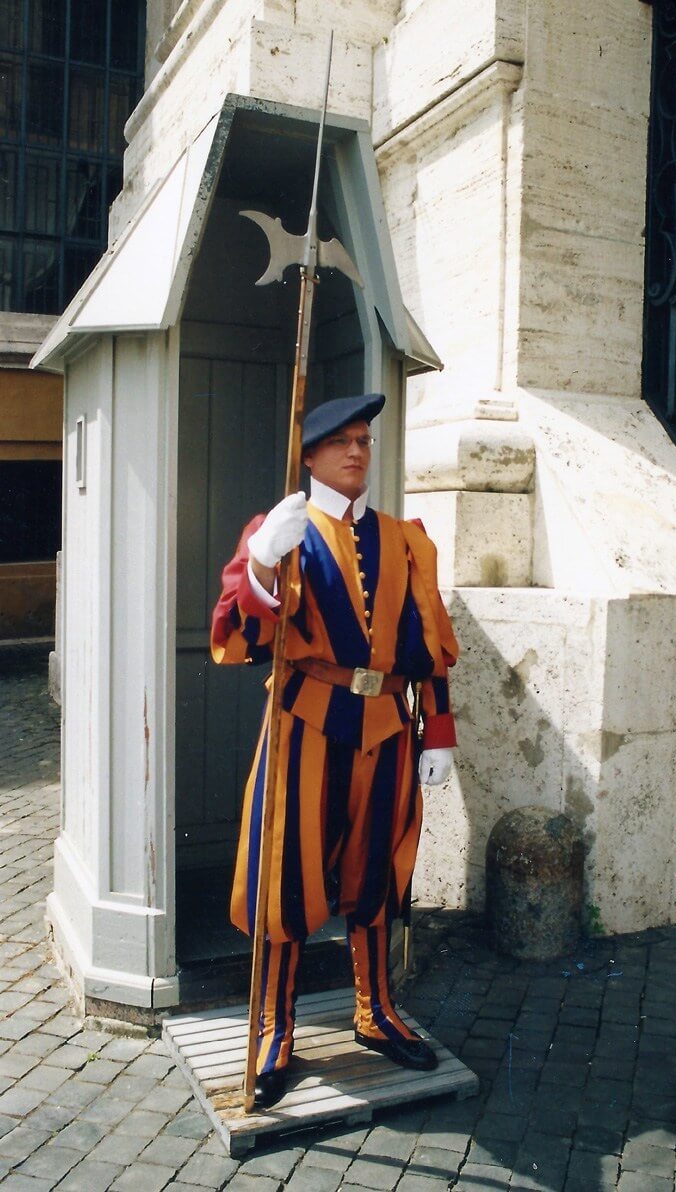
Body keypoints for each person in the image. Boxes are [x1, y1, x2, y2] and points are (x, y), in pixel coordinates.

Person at [211, 393, 458, 1107]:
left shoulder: (405, 540)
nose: (357, 451)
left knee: (377, 873)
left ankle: (374, 1011)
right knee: (284, 877)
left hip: (385, 727)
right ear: (310, 455)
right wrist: (259, 567)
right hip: (306, 726)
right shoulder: (280, 532)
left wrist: (437, 733)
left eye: (364, 440)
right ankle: (273, 1026)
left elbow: (431, 649)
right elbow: (238, 639)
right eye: (340, 441)